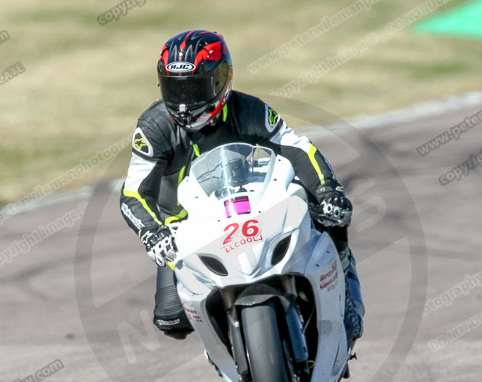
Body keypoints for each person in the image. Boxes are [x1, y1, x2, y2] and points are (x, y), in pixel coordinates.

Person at [119, 30, 363, 344]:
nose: (183, 104)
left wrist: (329, 189)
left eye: (194, 88)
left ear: (222, 81)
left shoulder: (249, 109)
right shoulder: (153, 128)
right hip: (185, 228)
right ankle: (234, 348)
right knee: (171, 318)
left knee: (330, 211)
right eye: (174, 88)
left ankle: (342, 281)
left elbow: (297, 148)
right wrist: (152, 232)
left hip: (252, 208)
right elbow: (133, 193)